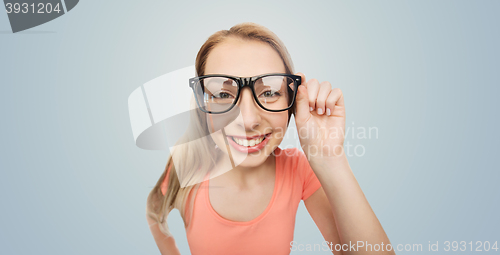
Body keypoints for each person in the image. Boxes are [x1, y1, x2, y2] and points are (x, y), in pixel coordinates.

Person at [146, 22, 395, 255]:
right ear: (202, 104)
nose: (248, 119)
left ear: (293, 101)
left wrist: (330, 158)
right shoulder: (187, 163)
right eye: (223, 93)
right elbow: (154, 210)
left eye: (270, 92)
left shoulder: (298, 170)